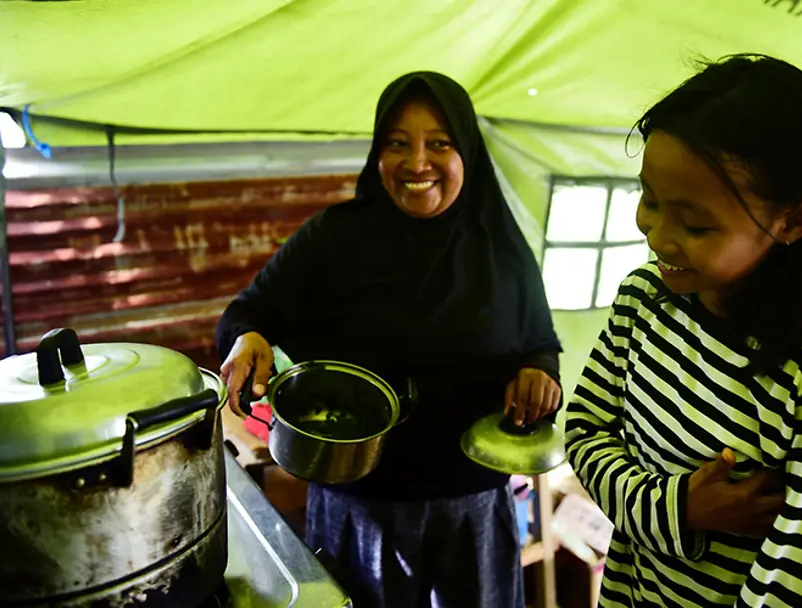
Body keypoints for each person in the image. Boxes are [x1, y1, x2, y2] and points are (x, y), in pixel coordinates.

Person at [216, 71, 562, 607]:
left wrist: (539, 373)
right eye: (397, 143)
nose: (417, 162)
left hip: (470, 504)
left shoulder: (501, 250)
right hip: (357, 507)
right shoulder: (334, 238)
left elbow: (539, 342)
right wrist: (247, 339)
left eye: (439, 144)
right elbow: (246, 312)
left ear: (467, 152)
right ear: (377, 153)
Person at [565, 54, 802, 607]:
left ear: (793, 220)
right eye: (650, 200)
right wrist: (677, 509)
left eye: (694, 223)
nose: (657, 236)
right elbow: (585, 432)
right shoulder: (643, 299)